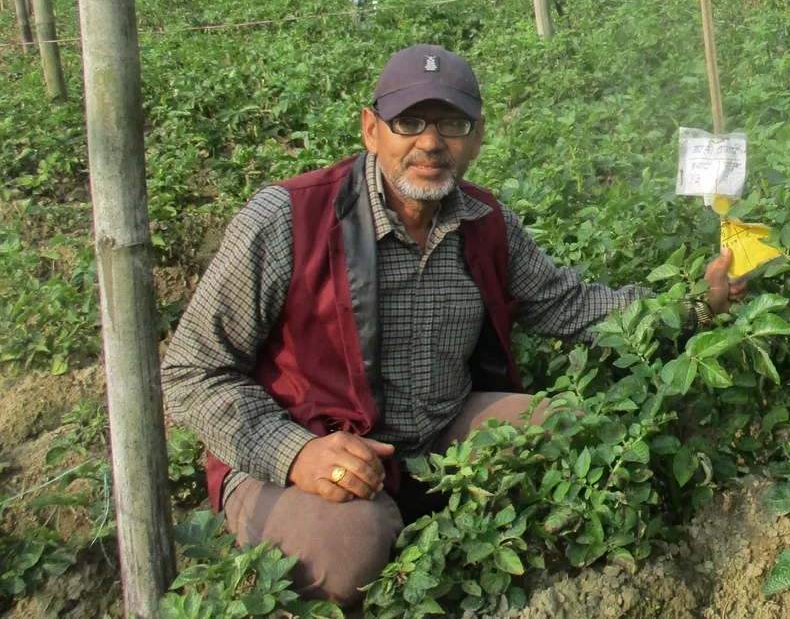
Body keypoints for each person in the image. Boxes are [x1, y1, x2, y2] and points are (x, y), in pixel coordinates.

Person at [161, 44, 747, 610]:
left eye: (453, 123)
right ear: (371, 129)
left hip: (439, 431)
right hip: (315, 452)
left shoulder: (484, 220)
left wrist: (695, 304)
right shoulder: (288, 218)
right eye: (409, 121)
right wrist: (295, 454)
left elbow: (566, 303)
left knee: (569, 434)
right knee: (347, 552)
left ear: (478, 136)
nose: (431, 142)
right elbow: (190, 371)